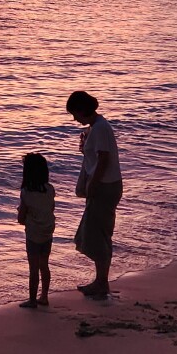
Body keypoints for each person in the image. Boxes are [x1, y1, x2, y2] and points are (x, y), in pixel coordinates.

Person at [66, 90, 122, 301]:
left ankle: (102, 283)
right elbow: (96, 157)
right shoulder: (97, 127)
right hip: (107, 185)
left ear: (82, 110)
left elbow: (104, 159)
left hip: (104, 187)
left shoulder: (99, 128)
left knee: (98, 234)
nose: (74, 118)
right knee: (98, 232)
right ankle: (101, 281)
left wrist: (93, 185)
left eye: (75, 114)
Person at [15, 153, 54, 309]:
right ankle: (44, 296)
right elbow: (51, 209)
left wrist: (22, 214)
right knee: (44, 265)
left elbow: (21, 218)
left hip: (33, 234)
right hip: (48, 231)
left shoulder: (26, 193)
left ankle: (32, 300)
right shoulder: (50, 189)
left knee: (33, 267)